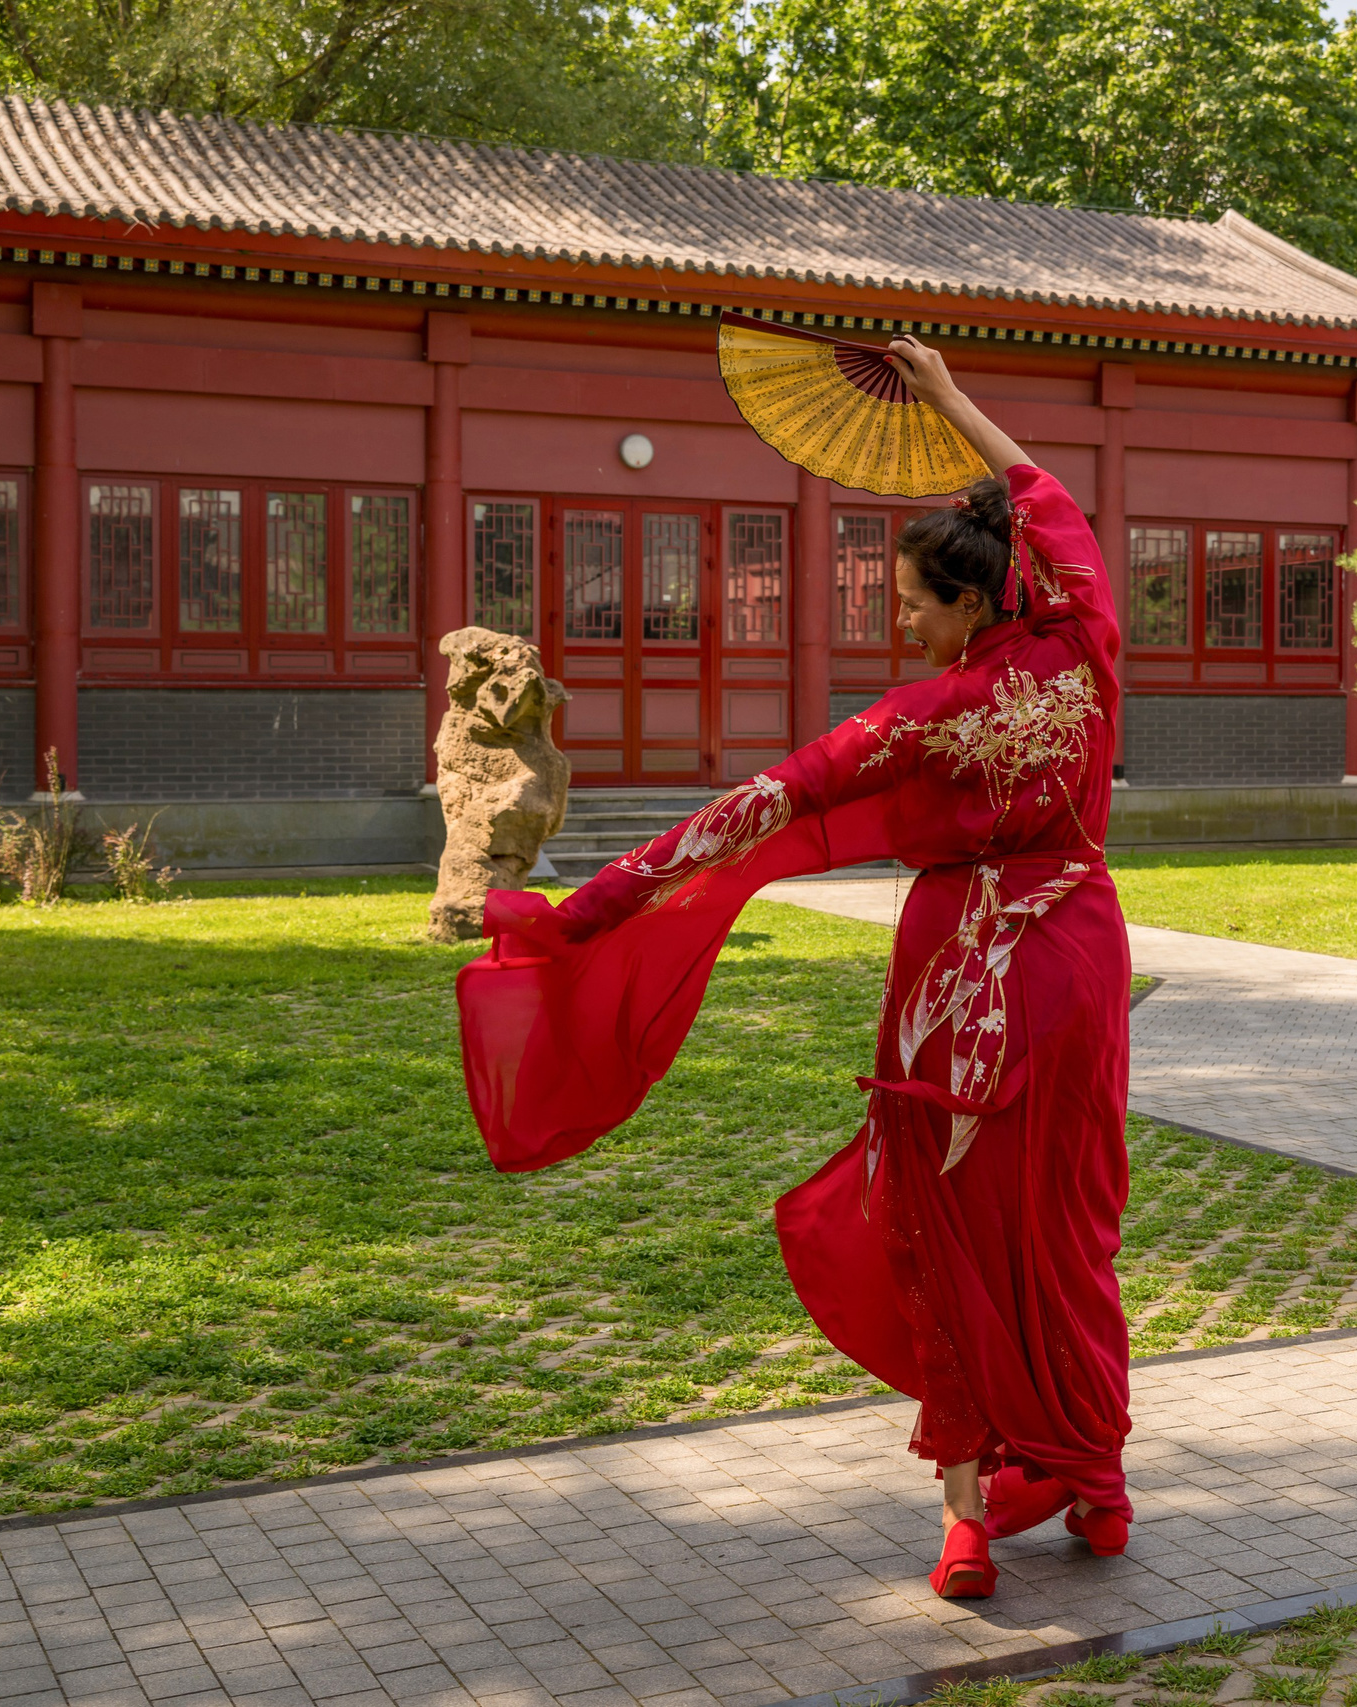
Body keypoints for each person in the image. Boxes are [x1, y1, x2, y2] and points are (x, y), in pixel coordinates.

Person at [456, 337, 1135, 1601]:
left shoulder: (921, 717)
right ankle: (1095, 1479)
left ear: (974, 603)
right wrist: (944, 396)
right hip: (1079, 958)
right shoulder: (1089, 637)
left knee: (949, 1226)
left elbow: (759, 807)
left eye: (916, 603)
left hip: (960, 990)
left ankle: (970, 1522)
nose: (904, 620)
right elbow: (1046, 492)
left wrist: (588, 910)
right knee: (1064, 1218)